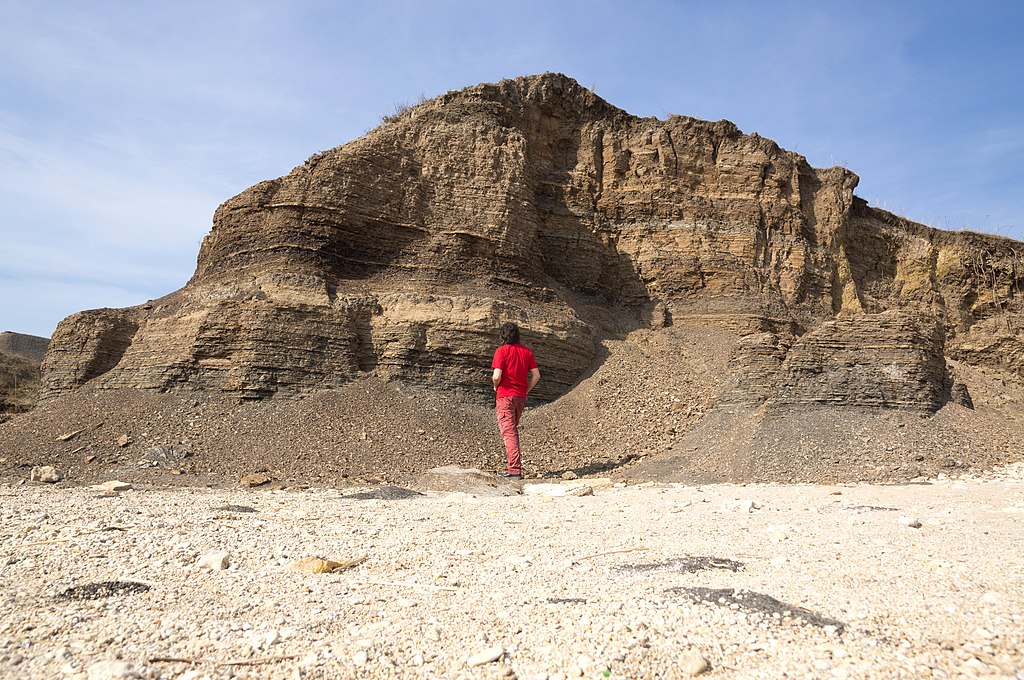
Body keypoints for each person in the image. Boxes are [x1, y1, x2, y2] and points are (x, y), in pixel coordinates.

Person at [490, 322, 540, 479]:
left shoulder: (501, 351)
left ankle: (514, 471)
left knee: (509, 432)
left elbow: (497, 376)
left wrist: (495, 386)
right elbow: (536, 376)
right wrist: (526, 390)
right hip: (520, 397)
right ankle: (514, 469)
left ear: (502, 335)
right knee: (512, 430)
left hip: (505, 396)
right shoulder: (527, 352)